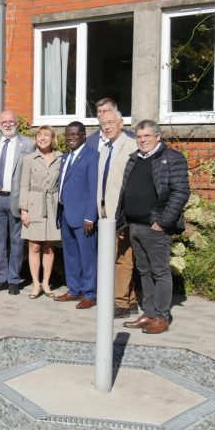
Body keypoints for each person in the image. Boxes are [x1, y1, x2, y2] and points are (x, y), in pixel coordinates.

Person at [119, 120, 190, 334]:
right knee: (144, 271)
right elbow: (124, 193)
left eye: (147, 136)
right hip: (135, 225)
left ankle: (162, 317)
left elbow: (180, 193)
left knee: (160, 272)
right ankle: (149, 313)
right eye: (139, 136)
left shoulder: (172, 158)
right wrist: (122, 222)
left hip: (156, 228)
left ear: (158, 136)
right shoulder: (134, 159)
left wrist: (163, 221)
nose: (142, 140)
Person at [96, 109, 139, 318]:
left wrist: (126, 216)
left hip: (121, 213)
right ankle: (130, 301)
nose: (107, 126)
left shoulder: (131, 146)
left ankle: (120, 303)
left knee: (123, 258)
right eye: (103, 123)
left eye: (111, 122)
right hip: (105, 211)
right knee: (118, 257)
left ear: (121, 123)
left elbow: (132, 184)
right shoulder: (105, 148)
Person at [0, 110, 35, 295]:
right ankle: (1, 278)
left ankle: (14, 280)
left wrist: (27, 204)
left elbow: (30, 175)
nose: (7, 125)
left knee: (16, 241)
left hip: (16, 198)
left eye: (11, 121)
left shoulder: (28, 144)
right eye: (4, 122)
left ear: (17, 123)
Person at [54, 121, 100, 309]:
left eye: (75, 134)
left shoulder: (92, 156)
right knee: (71, 254)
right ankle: (74, 289)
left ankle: (90, 293)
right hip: (65, 213)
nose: (71, 137)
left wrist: (90, 216)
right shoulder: (65, 157)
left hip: (83, 217)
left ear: (83, 135)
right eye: (67, 134)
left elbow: (94, 188)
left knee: (87, 256)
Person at [18, 126, 62, 298]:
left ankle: (46, 283)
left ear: (52, 139)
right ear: (36, 139)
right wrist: (24, 209)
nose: (43, 138)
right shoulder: (29, 159)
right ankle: (35, 284)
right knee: (34, 245)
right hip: (34, 204)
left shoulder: (60, 158)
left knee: (49, 247)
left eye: (47, 135)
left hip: (53, 205)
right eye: (39, 135)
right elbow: (24, 185)